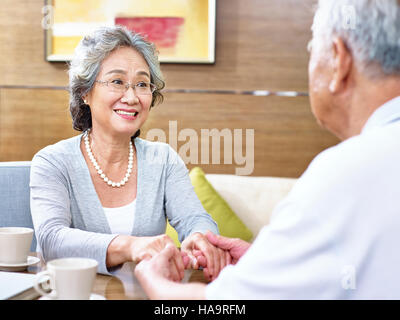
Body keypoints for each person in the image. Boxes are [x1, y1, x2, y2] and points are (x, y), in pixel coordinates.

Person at [134, 0, 400, 299]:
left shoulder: (345, 172)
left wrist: (153, 280)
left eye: (312, 49)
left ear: (339, 59)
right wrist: (263, 262)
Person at [29, 25, 228, 279]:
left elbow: (196, 219)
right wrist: (130, 246)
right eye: (117, 82)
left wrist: (199, 237)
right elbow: (51, 240)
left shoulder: (163, 159)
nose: (132, 97)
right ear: (85, 92)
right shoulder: (52, 162)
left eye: (142, 84)